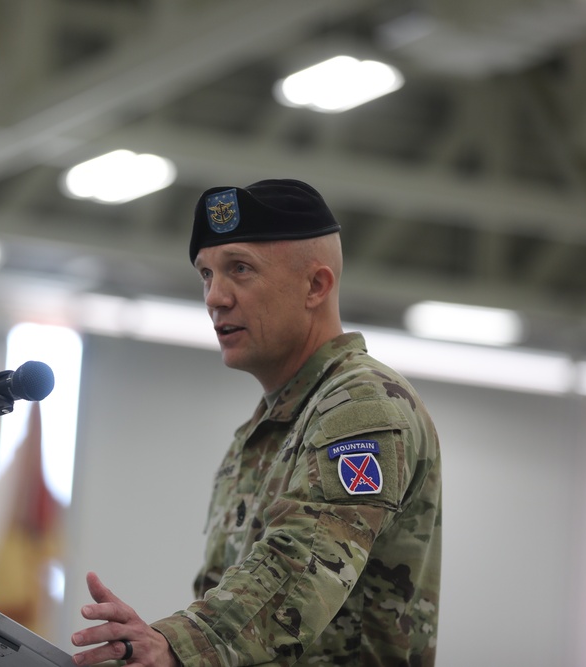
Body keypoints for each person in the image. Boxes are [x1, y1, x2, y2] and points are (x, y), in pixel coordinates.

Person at [71, 179, 442, 666]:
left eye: (239, 269)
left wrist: (177, 648)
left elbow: (304, 565)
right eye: (206, 274)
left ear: (316, 286)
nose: (214, 297)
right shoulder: (261, 434)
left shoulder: (362, 405)